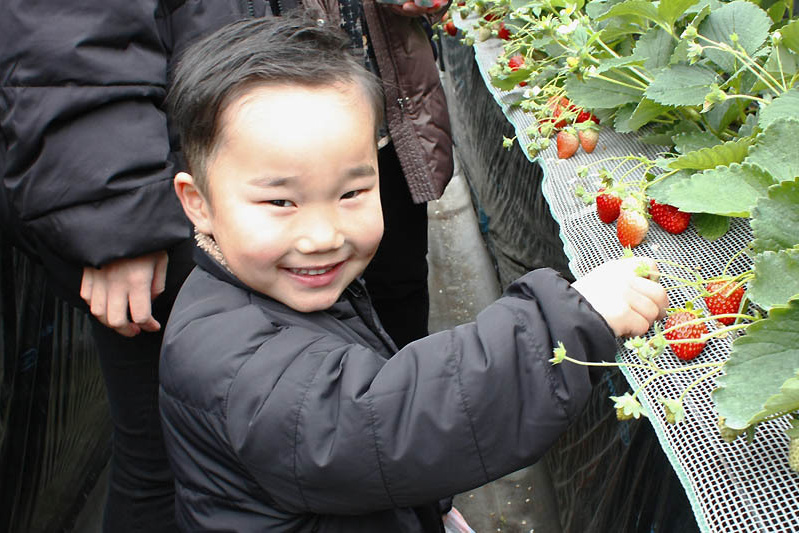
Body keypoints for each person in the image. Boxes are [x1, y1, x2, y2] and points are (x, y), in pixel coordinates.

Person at [159, 12, 669, 532]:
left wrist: (431, 506)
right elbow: (390, 422)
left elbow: (371, 453)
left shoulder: (276, 289)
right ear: (198, 203)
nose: (323, 236)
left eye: (352, 192)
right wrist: (567, 321)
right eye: (281, 201)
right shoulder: (232, 363)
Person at [1, 0, 449, 530]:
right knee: (167, 452)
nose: (322, 238)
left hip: (358, 130)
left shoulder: (343, 214)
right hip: (183, 195)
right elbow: (66, 35)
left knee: (373, 378)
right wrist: (115, 214)